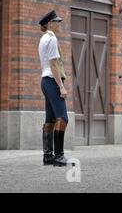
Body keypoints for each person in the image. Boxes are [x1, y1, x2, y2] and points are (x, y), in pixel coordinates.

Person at [38, 10, 68, 166]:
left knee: (50, 119)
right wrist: (61, 86)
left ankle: (48, 156)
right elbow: (54, 64)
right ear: (50, 23)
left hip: (45, 80)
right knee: (63, 118)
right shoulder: (52, 39)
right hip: (52, 80)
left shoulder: (44, 38)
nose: (59, 23)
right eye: (57, 21)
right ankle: (59, 156)